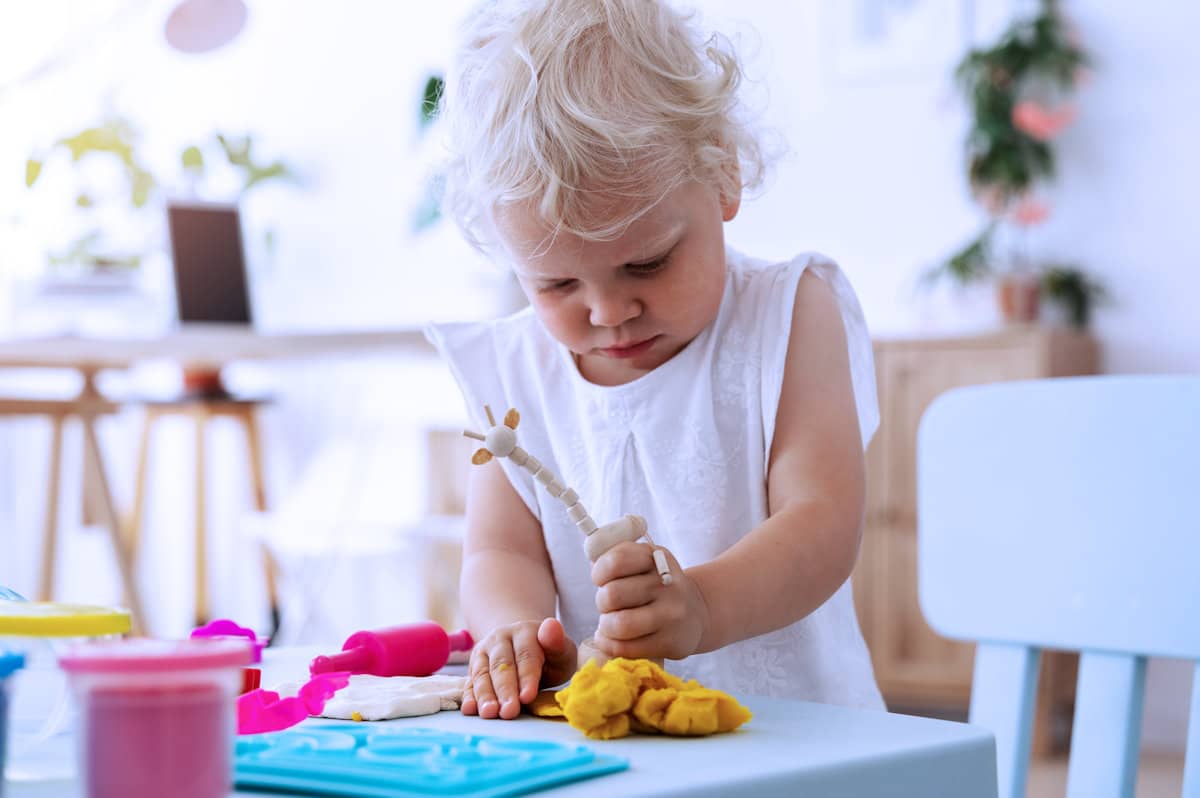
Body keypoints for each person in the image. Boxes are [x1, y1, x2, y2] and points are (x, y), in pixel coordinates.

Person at [425, 0, 883, 720]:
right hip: (619, 750)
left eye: (648, 263)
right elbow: (500, 553)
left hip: (800, 740)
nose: (607, 312)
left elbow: (821, 519)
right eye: (557, 283)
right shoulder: (513, 371)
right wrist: (513, 628)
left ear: (724, 177)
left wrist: (703, 605)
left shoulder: (788, 314)